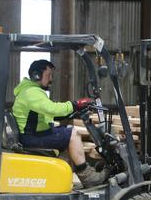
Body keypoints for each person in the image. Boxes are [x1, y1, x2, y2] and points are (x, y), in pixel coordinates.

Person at [12, 59, 109, 188]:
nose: (51, 79)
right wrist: (76, 104)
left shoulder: (30, 91)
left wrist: (73, 109)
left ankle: (66, 174)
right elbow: (52, 109)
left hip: (35, 134)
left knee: (68, 129)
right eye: (48, 75)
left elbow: (51, 113)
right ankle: (88, 176)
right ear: (37, 75)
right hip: (32, 138)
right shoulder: (31, 93)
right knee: (72, 134)